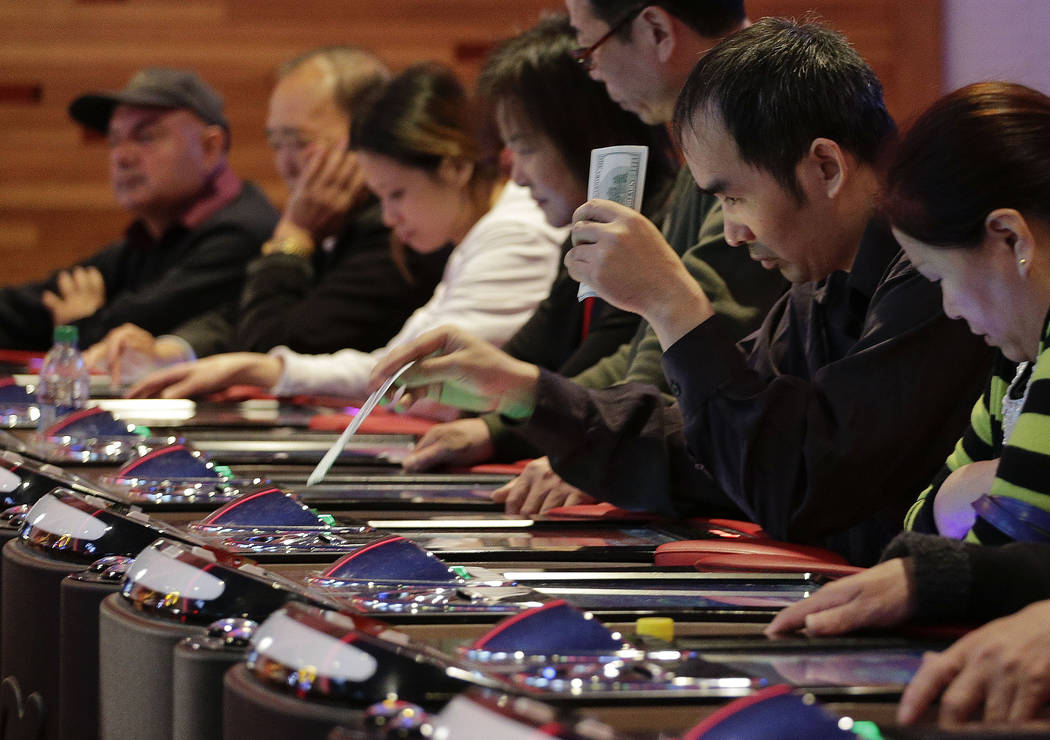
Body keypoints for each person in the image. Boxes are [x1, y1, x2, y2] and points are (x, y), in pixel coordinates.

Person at [369, 18, 992, 565]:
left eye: (733, 196)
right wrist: (526, 395)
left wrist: (674, 305)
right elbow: (706, 449)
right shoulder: (820, 280)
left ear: (825, 167)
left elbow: (800, 489)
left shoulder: (937, 276)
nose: (731, 229)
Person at [402, 0, 788, 500]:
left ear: (655, 30)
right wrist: (508, 420)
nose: (593, 71)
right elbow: (642, 349)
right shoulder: (713, 126)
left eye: (590, 50)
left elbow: (695, 348)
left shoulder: (755, 118)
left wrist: (602, 446)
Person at [765, 82, 1050, 726]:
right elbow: (924, 527)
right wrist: (971, 498)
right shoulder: (1020, 360)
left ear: (1010, 238)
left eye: (945, 279)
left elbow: (1005, 545)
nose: (948, 308)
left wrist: (969, 518)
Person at [128, 62, 563, 400]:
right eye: (276, 143)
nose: (391, 216)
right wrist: (264, 369)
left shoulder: (514, 234)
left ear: (455, 167)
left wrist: (268, 365)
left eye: (397, 193)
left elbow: (419, 380)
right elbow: (392, 365)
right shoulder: (475, 234)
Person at [85, 47, 451, 383]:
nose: (286, 165)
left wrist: (291, 238)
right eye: (277, 144)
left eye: (300, 142)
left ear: (369, 134)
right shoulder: (333, 221)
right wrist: (171, 351)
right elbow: (239, 318)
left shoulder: (395, 230)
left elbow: (272, 346)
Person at [0, 68, 279, 351]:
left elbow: (127, 335)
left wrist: (77, 325)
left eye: (146, 137)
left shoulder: (243, 234)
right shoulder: (151, 235)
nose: (121, 156)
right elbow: (36, 308)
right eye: (113, 140)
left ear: (210, 148)